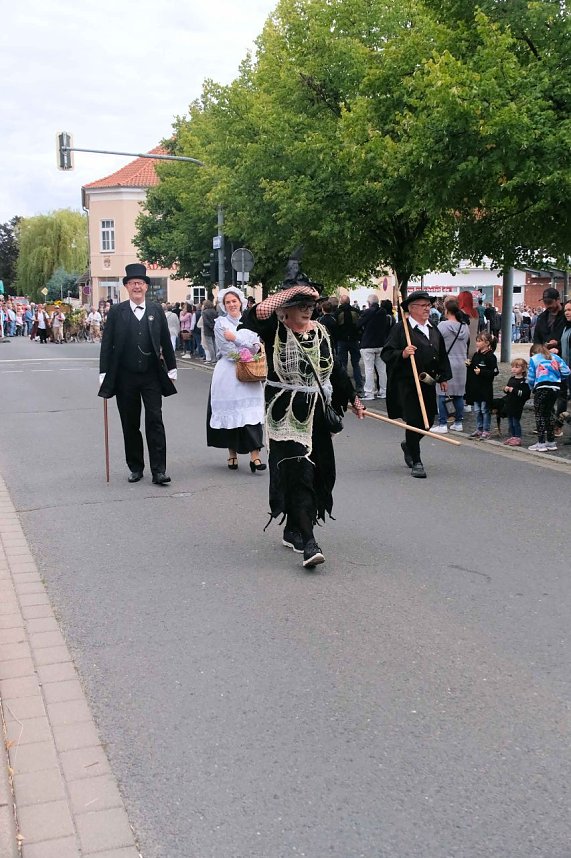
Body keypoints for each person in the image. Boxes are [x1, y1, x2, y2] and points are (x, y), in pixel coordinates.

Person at [242, 276, 364, 568]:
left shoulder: (321, 331)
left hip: (318, 413)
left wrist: (353, 398)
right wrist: (293, 291)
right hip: (286, 413)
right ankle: (309, 543)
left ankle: (294, 528)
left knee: (323, 474)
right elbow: (256, 313)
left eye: (311, 304)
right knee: (299, 474)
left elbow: (334, 370)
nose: (308, 309)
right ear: (286, 308)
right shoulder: (274, 329)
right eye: (301, 305)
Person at [98, 263, 177, 484]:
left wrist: (171, 367)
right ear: (126, 286)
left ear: (145, 286)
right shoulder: (116, 312)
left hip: (151, 375)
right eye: (132, 283)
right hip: (125, 377)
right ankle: (135, 466)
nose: (136, 286)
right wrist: (103, 374)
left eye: (140, 283)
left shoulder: (155, 310)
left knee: (155, 421)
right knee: (130, 423)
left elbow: (165, 342)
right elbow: (107, 344)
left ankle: (159, 470)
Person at [381, 291, 452, 478]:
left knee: (427, 422)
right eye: (423, 305)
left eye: (428, 305)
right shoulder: (401, 329)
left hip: (427, 382)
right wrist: (403, 353)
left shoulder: (433, 329)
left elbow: (442, 355)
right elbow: (386, 353)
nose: (427, 308)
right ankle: (417, 462)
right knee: (414, 420)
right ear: (411, 309)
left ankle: (408, 445)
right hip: (407, 383)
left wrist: (444, 377)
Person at [206, 287, 266, 472]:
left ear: (241, 302)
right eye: (228, 302)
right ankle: (232, 453)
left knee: (251, 415)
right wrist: (245, 350)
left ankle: (255, 456)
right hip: (229, 374)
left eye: (234, 301)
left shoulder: (249, 321)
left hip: (250, 373)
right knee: (232, 414)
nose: (232, 305)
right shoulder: (220, 323)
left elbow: (257, 346)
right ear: (224, 305)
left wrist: (238, 340)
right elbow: (226, 350)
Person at [432, 299, 469, 433]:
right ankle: (458, 422)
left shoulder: (443, 325)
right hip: (461, 363)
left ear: (446, 310)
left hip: (447, 362)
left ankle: (442, 424)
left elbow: (435, 343)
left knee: (442, 393)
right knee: (459, 395)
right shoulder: (464, 326)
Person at [527, 343, 570, 453]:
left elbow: (531, 377)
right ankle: (551, 441)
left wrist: (532, 387)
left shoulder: (534, 359)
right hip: (555, 388)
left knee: (540, 415)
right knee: (549, 413)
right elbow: (567, 371)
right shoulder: (555, 357)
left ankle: (541, 443)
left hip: (541, 387)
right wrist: (558, 377)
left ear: (533, 353)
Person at [465, 332, 499, 439]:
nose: (477, 343)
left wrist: (482, 372)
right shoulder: (476, 354)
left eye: (480, 341)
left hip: (485, 388)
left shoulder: (491, 356)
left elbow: (494, 372)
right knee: (477, 410)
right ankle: (479, 428)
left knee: (485, 410)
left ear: (487, 343)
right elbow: (474, 369)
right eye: (477, 341)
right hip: (475, 387)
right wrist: (469, 365)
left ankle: (486, 429)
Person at [357, 294, 390, 400]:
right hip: (381, 344)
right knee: (382, 369)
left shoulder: (367, 312)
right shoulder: (384, 313)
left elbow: (358, 325)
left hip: (368, 344)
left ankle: (370, 393)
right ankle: (384, 391)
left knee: (369, 369)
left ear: (369, 303)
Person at [335, 295, 364, 394]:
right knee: (356, 364)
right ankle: (359, 386)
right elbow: (360, 325)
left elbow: (336, 327)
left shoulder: (338, 312)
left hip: (342, 341)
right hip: (354, 340)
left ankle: (344, 387)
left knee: (343, 365)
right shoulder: (355, 312)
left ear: (341, 302)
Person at [501, 358, 530, 447]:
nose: (514, 369)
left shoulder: (524, 381)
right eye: (513, 367)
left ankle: (517, 437)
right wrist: (505, 389)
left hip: (517, 405)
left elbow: (524, 394)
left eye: (517, 367)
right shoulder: (512, 379)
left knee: (515, 422)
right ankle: (512, 436)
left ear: (523, 369)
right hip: (509, 403)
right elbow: (508, 390)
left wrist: (513, 390)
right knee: (510, 422)